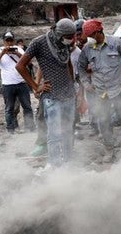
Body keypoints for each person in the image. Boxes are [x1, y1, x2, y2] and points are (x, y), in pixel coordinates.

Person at [15, 18, 77, 170]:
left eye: (72, 36)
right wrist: (36, 86)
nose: (71, 40)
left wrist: (72, 83)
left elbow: (67, 63)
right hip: (52, 97)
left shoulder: (65, 45)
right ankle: (55, 165)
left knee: (68, 131)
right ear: (58, 33)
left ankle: (68, 162)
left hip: (68, 94)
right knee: (54, 135)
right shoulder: (39, 42)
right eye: (68, 37)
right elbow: (20, 65)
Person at [77, 19, 121, 156]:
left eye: (92, 36)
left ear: (99, 32)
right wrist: (86, 84)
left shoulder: (116, 43)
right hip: (100, 92)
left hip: (119, 89)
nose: (90, 39)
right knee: (104, 120)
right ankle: (109, 147)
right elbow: (80, 68)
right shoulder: (87, 49)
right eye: (88, 37)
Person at [0, 32, 35, 133]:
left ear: (13, 40)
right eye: (7, 40)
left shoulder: (19, 49)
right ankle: (11, 129)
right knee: (9, 108)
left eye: (11, 40)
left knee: (27, 106)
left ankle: (30, 128)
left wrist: (17, 54)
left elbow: (28, 62)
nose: (9, 43)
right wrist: (3, 53)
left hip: (21, 82)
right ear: (3, 41)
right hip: (7, 84)